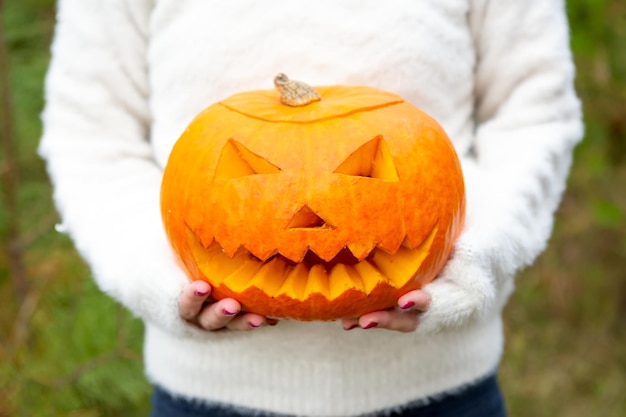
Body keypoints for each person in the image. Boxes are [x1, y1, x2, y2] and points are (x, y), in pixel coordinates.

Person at [39, 0, 583, 416]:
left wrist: (471, 257)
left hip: (443, 391)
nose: (309, 216)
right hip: (205, 396)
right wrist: (156, 277)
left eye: (363, 170)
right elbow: (92, 138)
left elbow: (534, 116)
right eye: (252, 170)